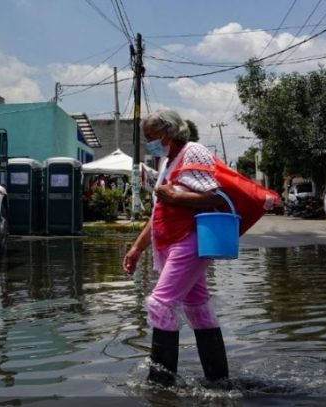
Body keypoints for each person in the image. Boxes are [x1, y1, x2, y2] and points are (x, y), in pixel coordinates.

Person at [122, 110, 229, 387]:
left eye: (151, 137)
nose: (149, 144)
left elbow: (214, 197)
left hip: (189, 240)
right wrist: (136, 249)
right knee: (197, 307)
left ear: (168, 133)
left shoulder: (194, 152)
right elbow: (158, 213)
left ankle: (161, 384)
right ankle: (218, 381)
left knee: (160, 304)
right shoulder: (167, 163)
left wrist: (174, 195)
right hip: (173, 242)